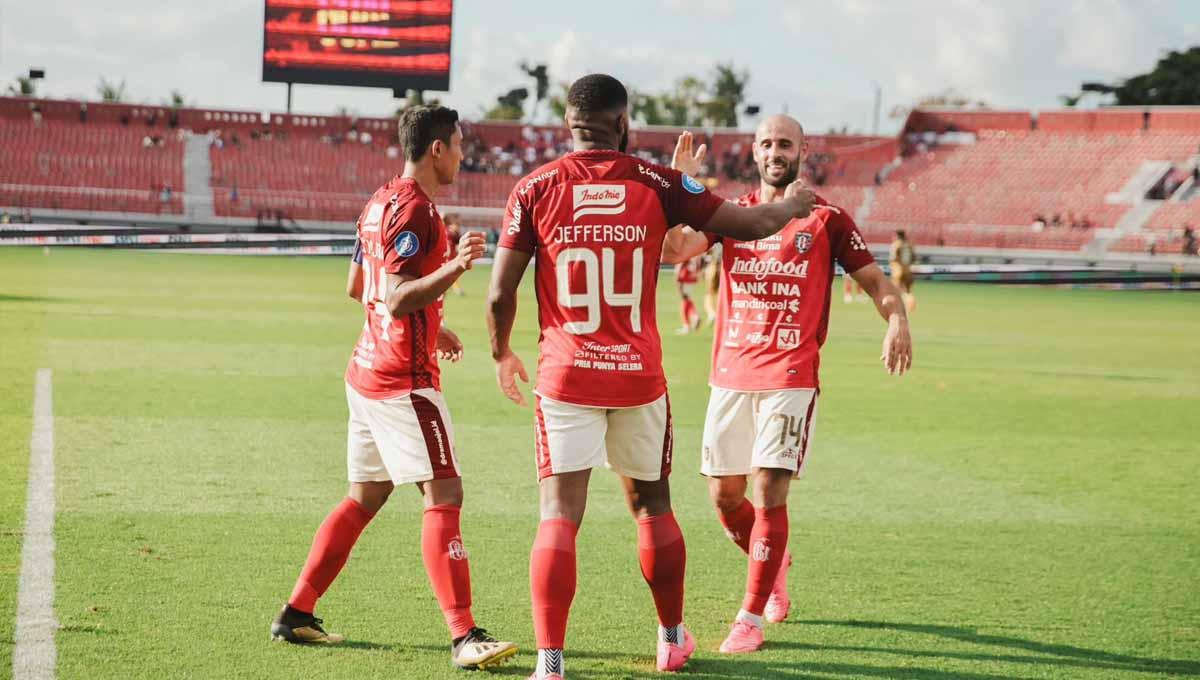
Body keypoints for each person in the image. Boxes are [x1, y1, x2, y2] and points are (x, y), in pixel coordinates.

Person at [485, 74, 815, 680]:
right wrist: (793, 205)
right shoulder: (657, 183)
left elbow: (500, 290)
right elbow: (747, 225)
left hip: (565, 377)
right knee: (653, 508)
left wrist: (503, 351)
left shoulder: (533, 189)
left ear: (569, 123)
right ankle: (670, 640)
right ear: (623, 122)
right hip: (637, 377)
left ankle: (550, 664)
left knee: (559, 514)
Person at [271, 105, 517, 671]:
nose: (462, 154)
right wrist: (454, 268)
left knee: (365, 497)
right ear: (436, 149)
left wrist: (437, 323)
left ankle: (297, 612)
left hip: (365, 373)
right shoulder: (418, 211)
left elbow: (359, 286)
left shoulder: (377, 200)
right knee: (444, 495)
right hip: (402, 383)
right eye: (457, 144)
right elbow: (400, 294)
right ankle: (464, 637)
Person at [662, 118, 913, 655]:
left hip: (791, 375)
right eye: (768, 144)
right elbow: (672, 250)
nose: (777, 152)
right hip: (730, 372)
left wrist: (897, 320)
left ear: (803, 151)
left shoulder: (828, 220)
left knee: (768, 488)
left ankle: (749, 617)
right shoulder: (730, 214)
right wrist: (681, 187)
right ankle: (773, 564)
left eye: (786, 144)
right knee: (725, 498)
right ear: (754, 152)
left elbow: (875, 282)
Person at [889, 229, 917, 312]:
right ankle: (910, 307)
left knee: (896, 290)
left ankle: (896, 308)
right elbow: (914, 258)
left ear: (897, 236)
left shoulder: (896, 245)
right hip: (908, 270)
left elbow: (893, 258)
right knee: (908, 291)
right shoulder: (910, 244)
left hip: (898, 270)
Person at [674, 254, 703, 333]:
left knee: (685, 300)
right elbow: (700, 265)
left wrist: (677, 279)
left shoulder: (686, 252)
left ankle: (688, 323)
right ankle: (691, 320)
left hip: (684, 278)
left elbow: (680, 265)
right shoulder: (696, 252)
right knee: (687, 300)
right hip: (692, 278)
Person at [443, 212, 467, 296]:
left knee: (451, 275)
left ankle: (451, 289)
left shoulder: (449, 232)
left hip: (450, 258)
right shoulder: (449, 233)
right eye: (457, 224)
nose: (458, 227)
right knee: (449, 275)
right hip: (447, 258)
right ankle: (451, 289)